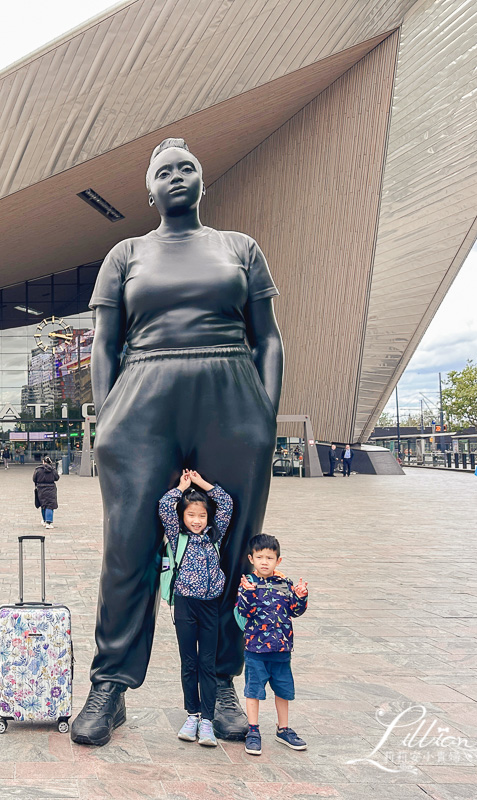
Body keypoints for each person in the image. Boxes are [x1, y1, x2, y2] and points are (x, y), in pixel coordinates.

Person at [72, 137, 282, 747]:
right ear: (149, 190)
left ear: (202, 181)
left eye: (187, 167)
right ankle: (110, 685)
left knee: (227, 546)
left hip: (230, 395)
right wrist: (108, 415)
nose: (177, 177)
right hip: (144, 398)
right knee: (128, 548)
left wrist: (264, 413)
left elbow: (268, 337)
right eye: (163, 172)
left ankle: (218, 682)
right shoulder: (125, 254)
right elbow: (103, 345)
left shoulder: (240, 248)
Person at [159, 470, 234, 748]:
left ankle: (207, 721)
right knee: (189, 662)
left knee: (208, 664)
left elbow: (225, 503)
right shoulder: (178, 536)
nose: (196, 521)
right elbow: (165, 506)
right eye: (191, 515)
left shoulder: (214, 536)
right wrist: (181, 487)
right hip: (185, 605)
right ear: (183, 517)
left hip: (210, 606)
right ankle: (191, 715)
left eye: (201, 516)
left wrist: (202, 484)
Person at [236, 534, 309, 756]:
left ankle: (283, 729)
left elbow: (295, 612)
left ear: (279, 560)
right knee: (253, 691)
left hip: (281, 651)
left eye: (270, 557)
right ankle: (253, 730)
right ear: (251, 559)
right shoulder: (248, 584)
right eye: (260, 557)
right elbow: (243, 612)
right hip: (256, 651)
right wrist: (248, 594)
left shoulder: (285, 584)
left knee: (284, 690)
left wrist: (300, 597)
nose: (265, 561)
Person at [33, 456, 59, 528]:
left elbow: (34, 479)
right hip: (51, 488)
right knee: (50, 505)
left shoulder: (38, 469)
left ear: (43, 462)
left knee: (43, 504)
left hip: (40, 488)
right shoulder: (53, 470)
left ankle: (44, 520)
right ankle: (48, 522)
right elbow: (57, 478)